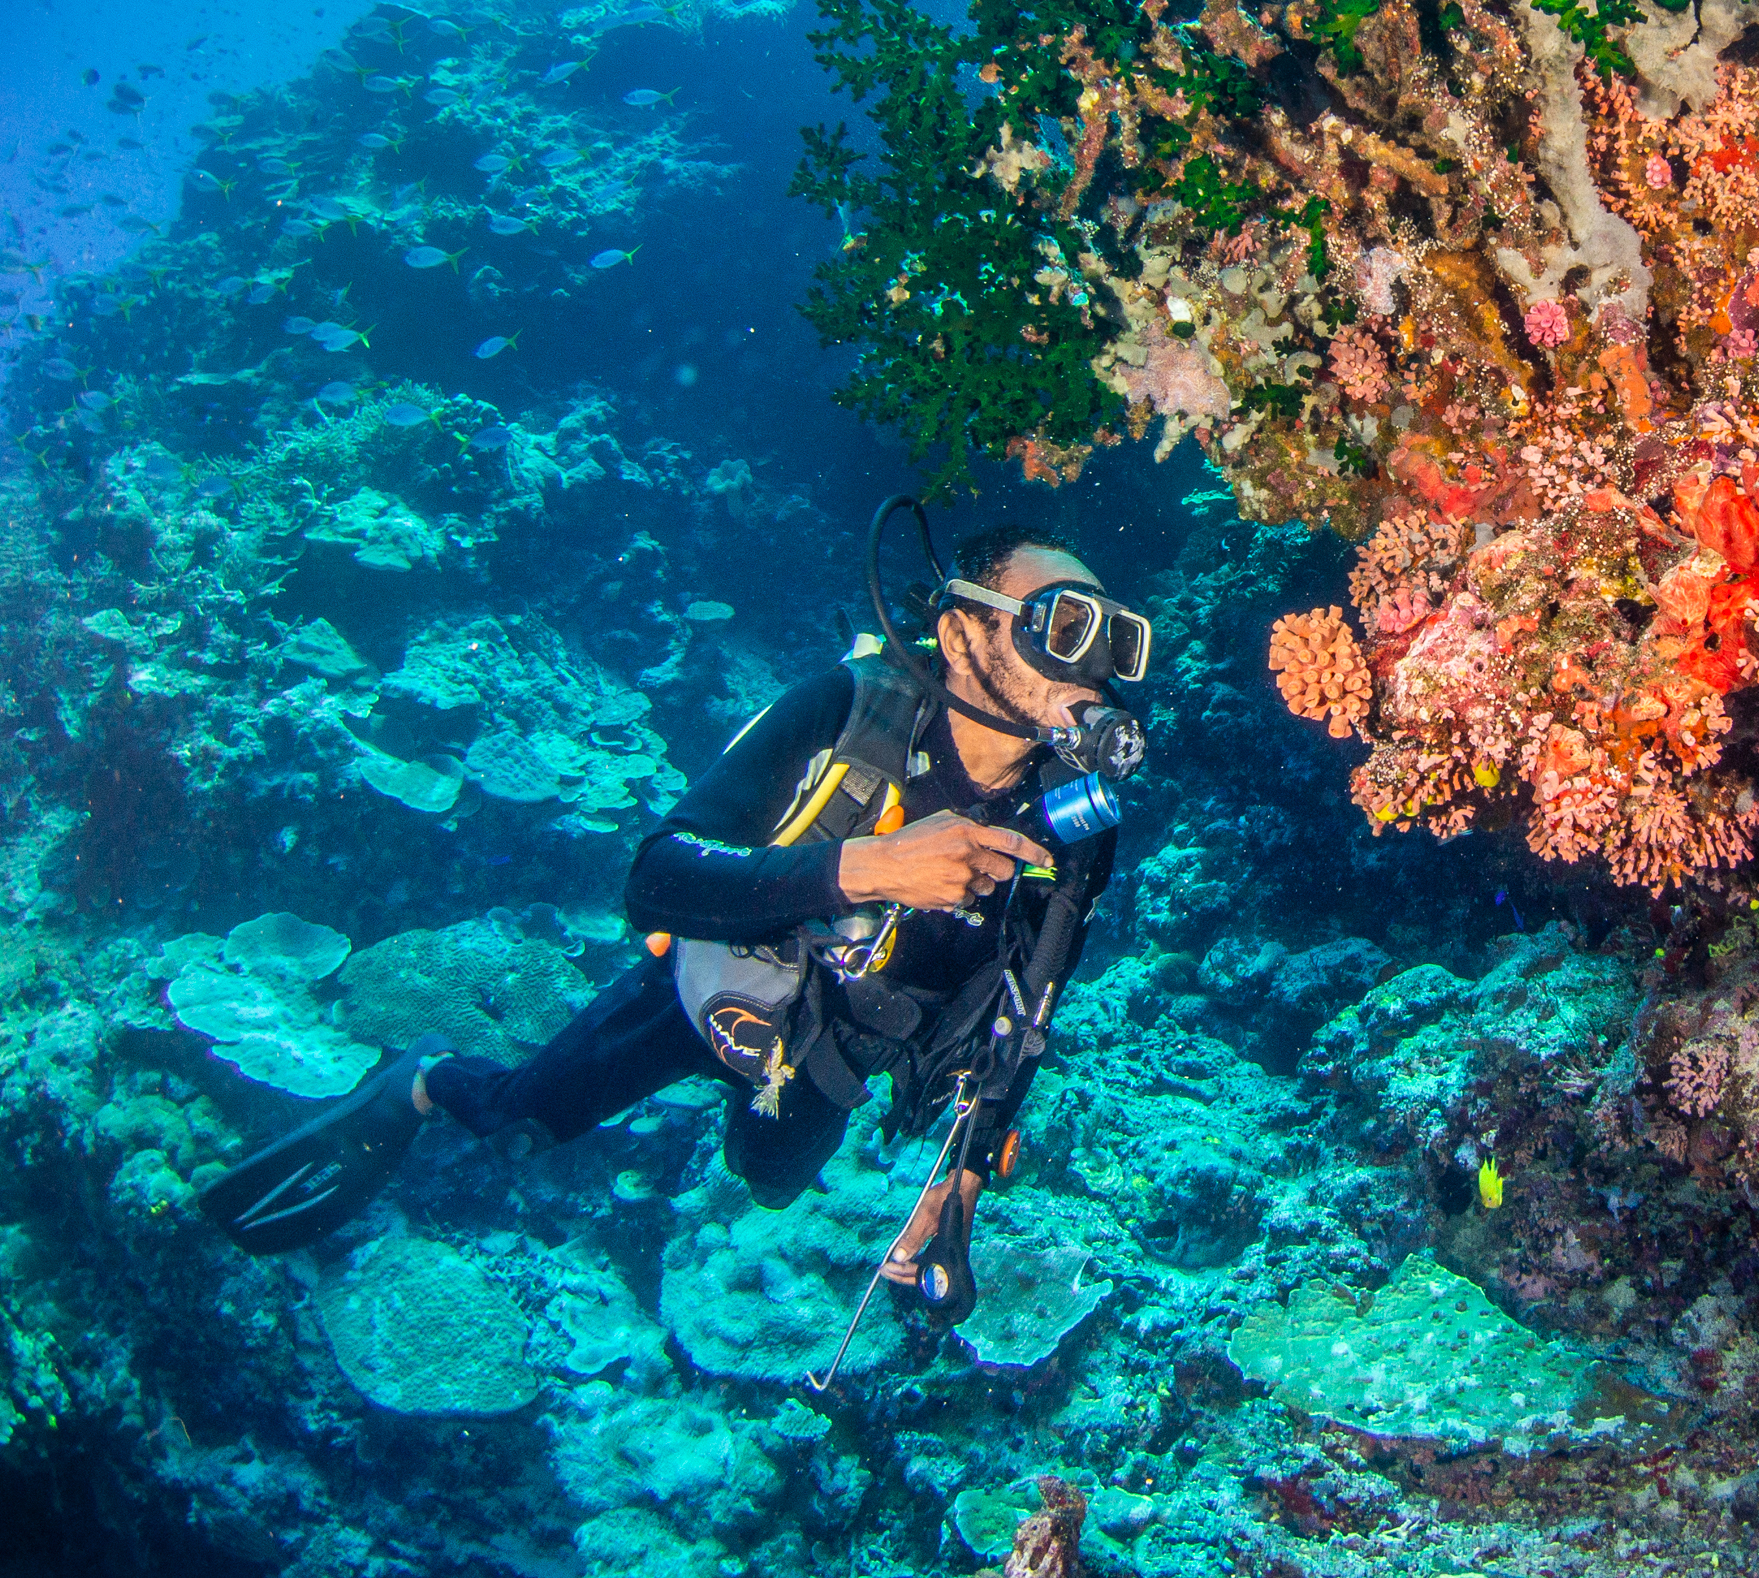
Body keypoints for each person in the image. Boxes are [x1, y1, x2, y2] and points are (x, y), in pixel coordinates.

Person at [198, 520, 1148, 1324]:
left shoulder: (1078, 817)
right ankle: (424, 1081)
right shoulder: (844, 708)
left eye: (1117, 639)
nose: (1096, 666)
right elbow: (658, 876)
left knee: (767, 1177)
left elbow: (1032, 1013)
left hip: (839, 1042)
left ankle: (746, 1124)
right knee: (522, 1120)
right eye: (1064, 627)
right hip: (717, 978)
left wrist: (962, 1184)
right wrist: (872, 866)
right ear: (959, 634)